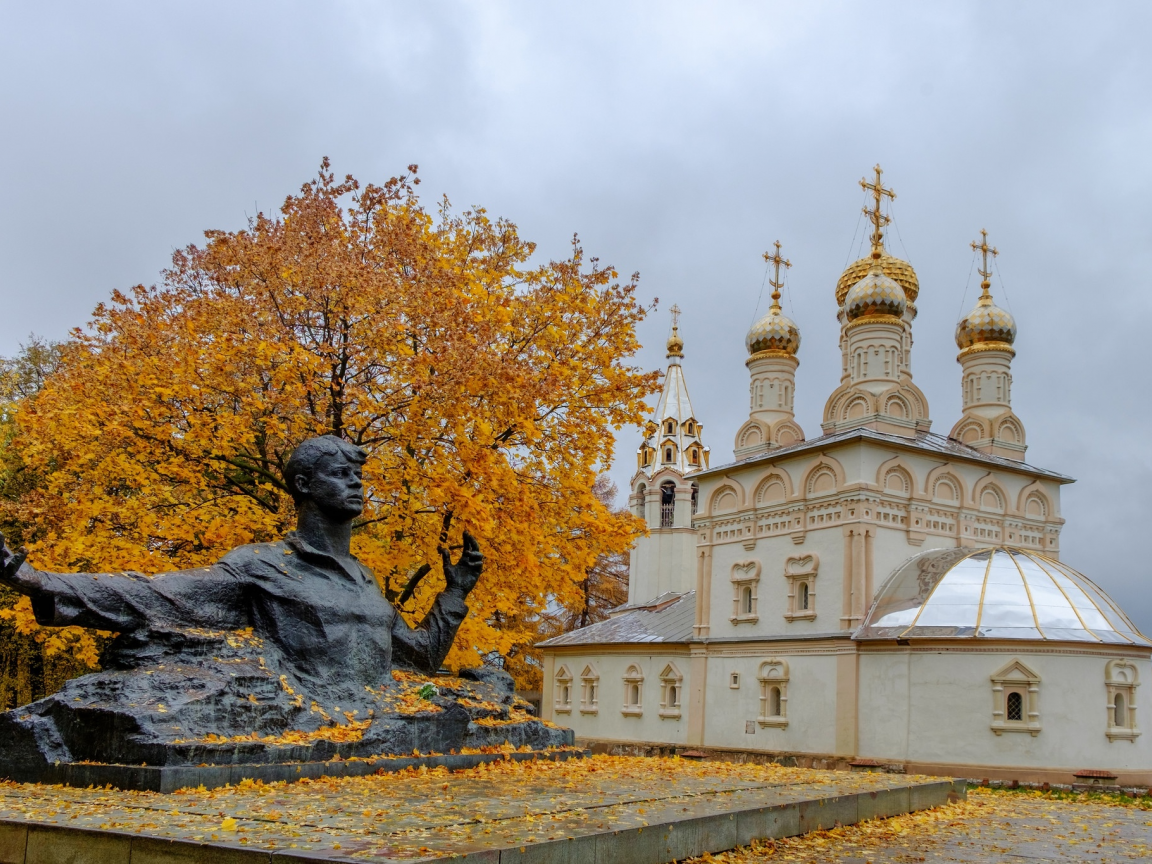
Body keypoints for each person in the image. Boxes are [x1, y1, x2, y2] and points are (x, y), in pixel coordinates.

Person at [0, 435, 483, 703]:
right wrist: (39, 581)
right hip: (305, 727)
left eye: (359, 476)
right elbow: (157, 593)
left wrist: (455, 594)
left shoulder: (365, 580)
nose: (356, 484)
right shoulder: (263, 565)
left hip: (374, 729)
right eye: (341, 474)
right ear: (304, 485)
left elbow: (418, 660)